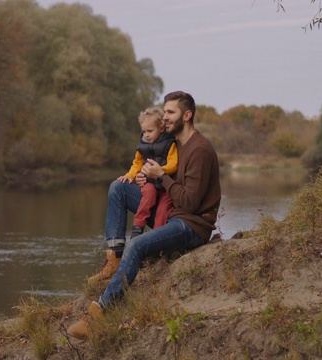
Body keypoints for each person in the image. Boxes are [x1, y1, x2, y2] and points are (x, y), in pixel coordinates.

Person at [69, 91, 221, 340]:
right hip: (173, 212)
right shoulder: (175, 144)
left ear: (187, 114)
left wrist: (161, 177)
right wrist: (144, 178)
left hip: (191, 225)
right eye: (165, 111)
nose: (165, 117)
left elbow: (191, 202)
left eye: (170, 112)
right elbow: (166, 181)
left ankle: (98, 315)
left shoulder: (200, 150)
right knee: (119, 188)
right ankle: (114, 259)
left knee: (138, 245)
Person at [116, 106, 177, 241]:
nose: (146, 135)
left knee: (163, 209)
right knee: (148, 194)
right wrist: (129, 176)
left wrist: (159, 171)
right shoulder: (142, 146)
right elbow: (137, 163)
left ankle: (156, 239)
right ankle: (138, 228)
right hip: (149, 182)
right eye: (144, 131)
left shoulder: (169, 143)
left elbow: (174, 164)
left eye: (150, 131)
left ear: (161, 129)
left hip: (165, 186)